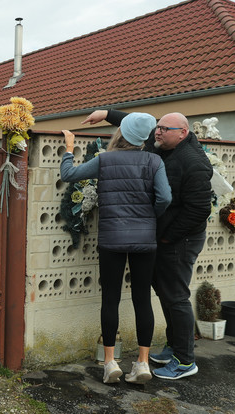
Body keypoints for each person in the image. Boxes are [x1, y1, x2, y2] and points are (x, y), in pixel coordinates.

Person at [82, 109, 213, 380]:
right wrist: (108, 114)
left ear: (183, 134)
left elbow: (199, 210)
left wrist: (165, 234)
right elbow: (136, 126)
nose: (158, 132)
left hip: (182, 238)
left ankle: (186, 360)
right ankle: (172, 346)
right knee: (161, 292)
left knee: (175, 296)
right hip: (154, 236)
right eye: (157, 128)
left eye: (164, 129)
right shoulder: (163, 148)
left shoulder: (193, 162)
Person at [60, 112, 172, 384]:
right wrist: (149, 215)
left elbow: (69, 174)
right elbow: (165, 197)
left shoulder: (105, 160)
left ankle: (110, 362)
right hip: (145, 239)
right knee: (142, 298)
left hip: (111, 239)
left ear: (120, 133)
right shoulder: (154, 161)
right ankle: (143, 363)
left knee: (110, 298)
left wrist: (70, 147)